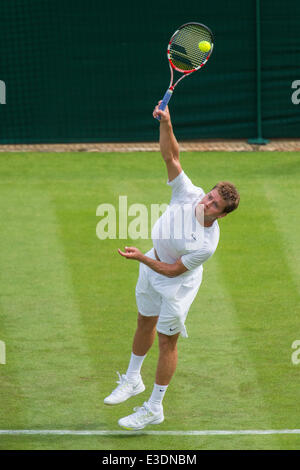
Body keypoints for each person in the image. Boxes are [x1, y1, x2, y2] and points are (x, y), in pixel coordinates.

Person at [104, 103, 240, 430]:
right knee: (143, 320)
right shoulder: (188, 193)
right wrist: (166, 122)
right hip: (152, 264)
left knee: (168, 342)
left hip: (176, 286)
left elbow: (173, 271)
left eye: (214, 204)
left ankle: (154, 406)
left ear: (221, 215)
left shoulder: (205, 245)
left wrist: (141, 259)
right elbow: (171, 156)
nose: (205, 202)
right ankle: (133, 379)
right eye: (209, 196)